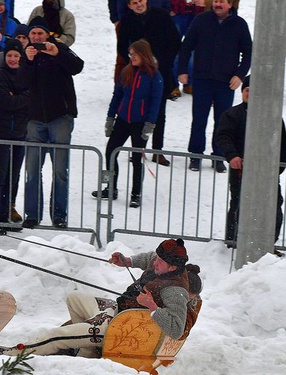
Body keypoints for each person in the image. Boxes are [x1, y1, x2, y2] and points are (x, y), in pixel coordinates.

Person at [0, 238, 191, 357]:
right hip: (117, 311)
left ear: (173, 267)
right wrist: (127, 261)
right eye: (158, 258)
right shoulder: (160, 262)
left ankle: (10, 355)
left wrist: (153, 307)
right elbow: (147, 258)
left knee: (56, 335)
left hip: (120, 330)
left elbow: (176, 327)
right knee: (74, 298)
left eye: (161, 262)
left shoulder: (175, 291)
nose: (155, 263)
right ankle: (86, 349)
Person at [19, 17, 84, 229]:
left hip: (60, 118)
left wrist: (57, 53)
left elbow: (77, 66)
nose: (36, 37)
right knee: (32, 170)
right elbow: (22, 83)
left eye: (40, 33)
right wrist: (27, 62)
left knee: (60, 171)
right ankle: (32, 214)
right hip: (35, 120)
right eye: (33, 34)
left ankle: (59, 214)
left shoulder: (60, 48)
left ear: (48, 34)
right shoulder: (27, 54)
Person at [177, 0, 251, 173]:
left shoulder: (239, 24)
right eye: (215, 1)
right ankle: (195, 155)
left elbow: (248, 52)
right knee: (199, 119)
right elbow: (186, 46)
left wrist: (239, 75)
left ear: (230, 4)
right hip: (202, 79)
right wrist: (182, 70)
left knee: (223, 121)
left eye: (222, 2)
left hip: (226, 82)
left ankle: (219, 157)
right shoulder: (201, 20)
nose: (217, 4)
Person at [214, 76, 286, 246]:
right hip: (240, 169)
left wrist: (276, 169)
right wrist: (232, 156)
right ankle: (233, 241)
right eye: (247, 90)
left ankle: (269, 242)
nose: (250, 94)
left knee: (274, 205)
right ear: (242, 92)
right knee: (239, 203)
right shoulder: (231, 115)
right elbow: (223, 136)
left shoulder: (273, 116)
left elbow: (282, 144)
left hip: (268, 172)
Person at [94, 39, 163, 208]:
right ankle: (111, 187)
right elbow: (117, 95)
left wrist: (150, 124)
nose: (131, 57)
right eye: (130, 54)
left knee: (137, 158)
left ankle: (136, 193)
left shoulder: (154, 75)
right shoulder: (126, 71)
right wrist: (111, 117)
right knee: (111, 151)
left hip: (140, 122)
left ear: (143, 54)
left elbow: (156, 102)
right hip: (123, 120)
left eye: (134, 54)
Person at [117, 0, 181, 167]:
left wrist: (162, 62)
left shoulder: (161, 16)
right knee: (139, 113)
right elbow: (122, 47)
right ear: (129, 6)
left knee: (159, 113)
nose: (139, 5)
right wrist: (134, 63)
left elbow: (175, 42)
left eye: (141, 1)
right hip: (137, 74)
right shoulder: (127, 21)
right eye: (134, 3)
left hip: (161, 72)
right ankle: (139, 150)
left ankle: (157, 151)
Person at [0, 39, 29, 234]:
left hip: (21, 131)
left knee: (14, 173)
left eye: (16, 56)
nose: (12, 59)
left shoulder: (27, 75)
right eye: (9, 55)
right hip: (2, 130)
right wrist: (22, 98)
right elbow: (5, 101)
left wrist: (17, 97)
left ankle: (7, 211)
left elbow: (31, 97)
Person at [0, 23, 28, 109]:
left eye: (24, 37)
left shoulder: (31, 59)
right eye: (18, 37)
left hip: (24, 115)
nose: (21, 40)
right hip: (2, 114)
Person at [169, 0, 205, 97]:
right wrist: (168, 7)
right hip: (176, 13)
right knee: (174, 49)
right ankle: (173, 84)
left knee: (193, 49)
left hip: (196, 13)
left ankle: (189, 83)